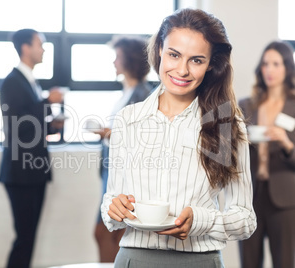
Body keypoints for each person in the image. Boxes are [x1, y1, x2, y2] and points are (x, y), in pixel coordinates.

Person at [100, 8, 257, 267]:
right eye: (174, 55)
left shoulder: (226, 124)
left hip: (200, 261)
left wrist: (201, 221)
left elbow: (246, 219)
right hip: (134, 259)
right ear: (160, 49)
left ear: (210, 65)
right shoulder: (128, 120)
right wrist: (113, 208)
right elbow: (112, 202)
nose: (182, 70)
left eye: (196, 60)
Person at [0, 28, 64, 268]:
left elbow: (30, 126)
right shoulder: (11, 81)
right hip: (21, 172)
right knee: (24, 238)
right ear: (25, 48)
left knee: (29, 238)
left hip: (33, 171)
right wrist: (48, 102)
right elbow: (16, 126)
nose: (44, 49)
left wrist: (50, 127)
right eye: (40, 44)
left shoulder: (30, 81)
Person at [93, 35, 152, 262]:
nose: (114, 62)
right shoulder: (127, 93)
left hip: (125, 175)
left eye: (118, 57)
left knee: (108, 233)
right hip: (111, 171)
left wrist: (110, 133)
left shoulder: (142, 94)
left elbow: (142, 137)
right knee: (105, 233)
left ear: (130, 61)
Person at [239, 41, 295, 268]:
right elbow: (232, 152)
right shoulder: (247, 105)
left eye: (276, 64)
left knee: (284, 262)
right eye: (265, 64)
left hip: (285, 200)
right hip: (251, 196)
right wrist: (241, 140)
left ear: (287, 68)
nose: (269, 70)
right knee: (249, 263)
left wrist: (285, 142)